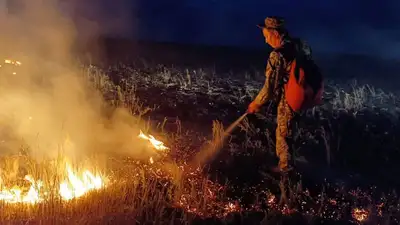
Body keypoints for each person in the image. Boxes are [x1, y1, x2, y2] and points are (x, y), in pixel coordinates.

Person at [247, 16, 313, 205]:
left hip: (289, 100)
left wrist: (255, 104)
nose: (265, 39)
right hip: (302, 98)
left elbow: (268, 88)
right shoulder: (299, 46)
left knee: (283, 137)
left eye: (266, 35)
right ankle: (287, 168)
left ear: (275, 33)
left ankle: (288, 185)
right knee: (290, 134)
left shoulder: (277, 55)